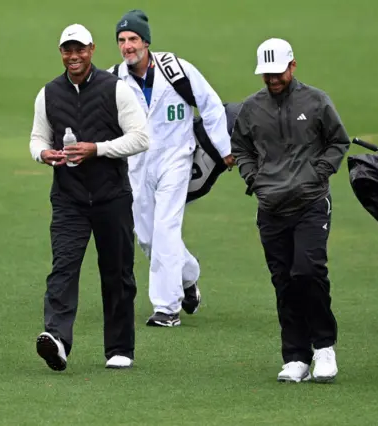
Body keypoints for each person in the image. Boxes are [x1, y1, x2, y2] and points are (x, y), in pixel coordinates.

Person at [29, 24, 150, 371]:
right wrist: (43, 155)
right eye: (68, 50)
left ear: (92, 49)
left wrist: (97, 149)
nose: (74, 56)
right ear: (61, 53)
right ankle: (57, 339)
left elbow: (141, 138)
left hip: (112, 196)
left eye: (79, 49)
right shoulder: (48, 94)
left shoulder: (116, 90)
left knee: (117, 273)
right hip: (69, 198)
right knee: (63, 269)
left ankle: (119, 348)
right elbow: (38, 137)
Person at [231, 38, 350, 383]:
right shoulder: (251, 108)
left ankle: (324, 346)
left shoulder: (315, 101)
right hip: (270, 207)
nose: (272, 79)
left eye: (278, 72)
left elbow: (338, 141)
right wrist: (254, 179)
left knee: (308, 271)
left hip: (310, 202)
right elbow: (241, 147)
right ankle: (296, 356)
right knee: (283, 281)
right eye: (267, 74)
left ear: (292, 66)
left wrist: (317, 174)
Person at [111, 10, 234, 327]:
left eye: (133, 39)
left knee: (166, 229)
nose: (127, 46)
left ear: (146, 41)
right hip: (135, 164)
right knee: (147, 237)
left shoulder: (176, 69)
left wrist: (225, 150)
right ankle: (188, 277)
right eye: (122, 40)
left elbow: (210, 104)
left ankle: (167, 309)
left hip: (176, 157)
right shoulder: (113, 79)